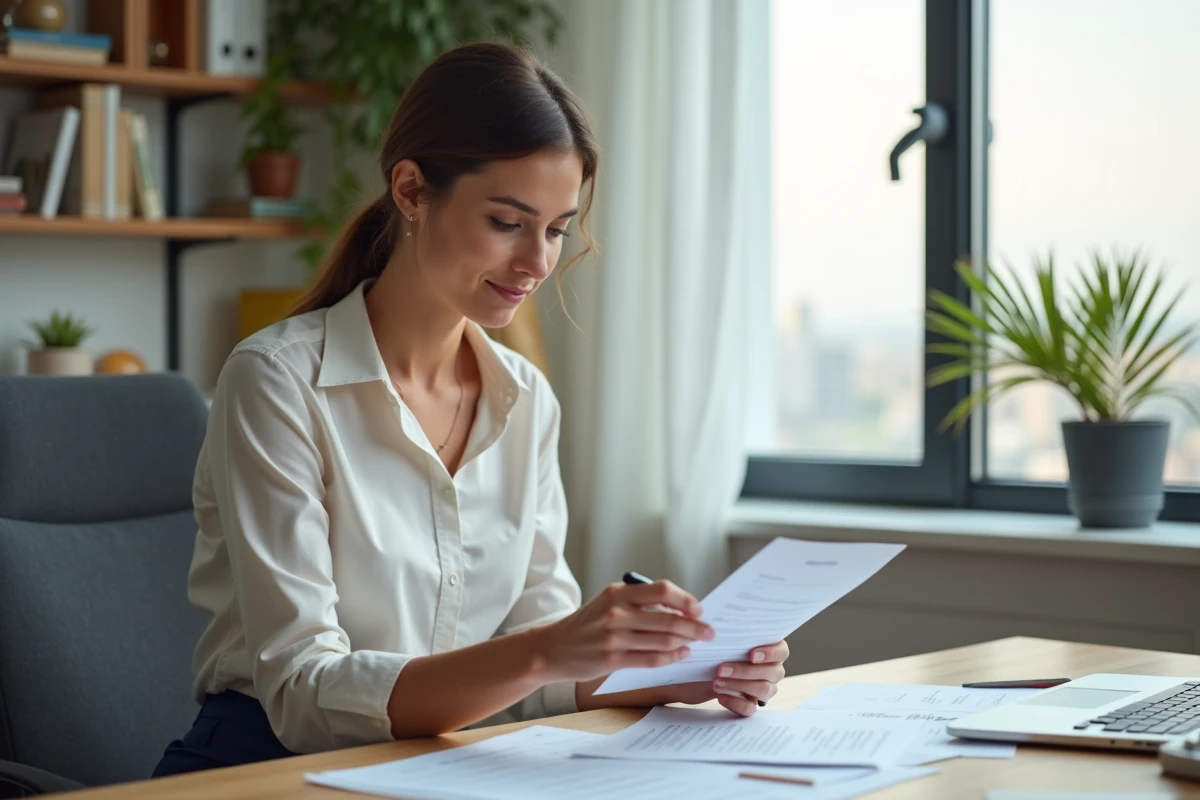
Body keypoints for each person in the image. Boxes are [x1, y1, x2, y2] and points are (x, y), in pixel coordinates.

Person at [152, 41, 788, 778]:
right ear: (413, 190)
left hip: (449, 765)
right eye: (507, 222)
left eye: (555, 230)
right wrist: (553, 647)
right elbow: (303, 693)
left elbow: (531, 669)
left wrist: (672, 671)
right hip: (263, 769)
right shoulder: (276, 381)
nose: (537, 263)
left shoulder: (525, 400)